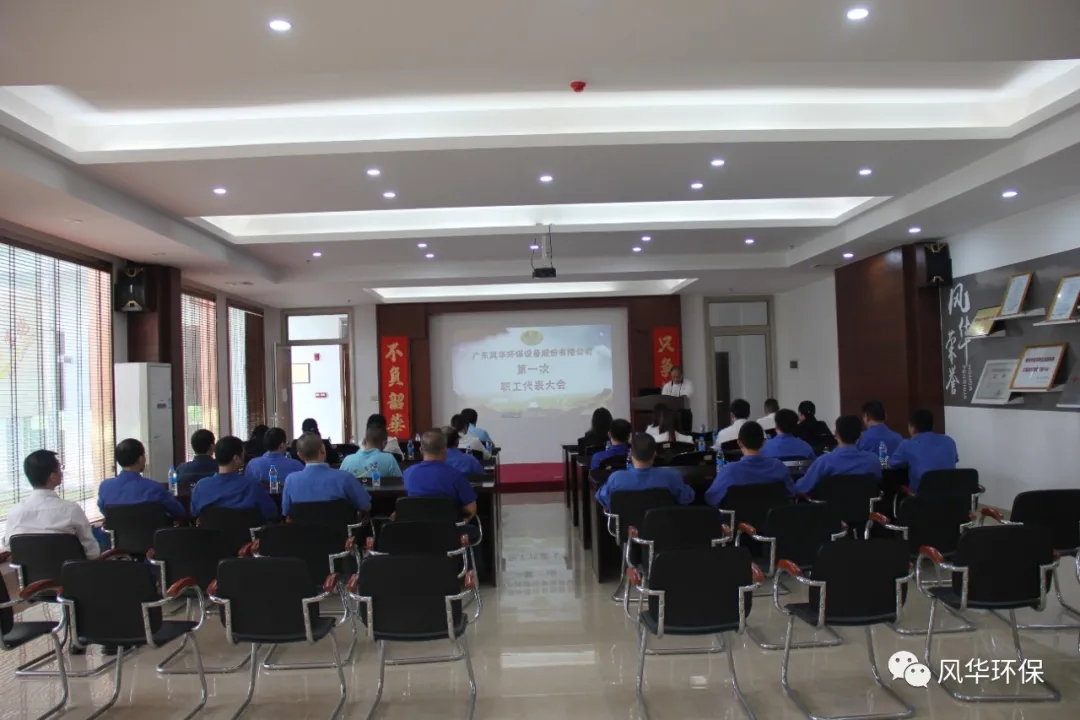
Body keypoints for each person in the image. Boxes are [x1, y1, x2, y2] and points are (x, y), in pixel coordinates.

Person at [4, 450, 100, 559]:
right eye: (60, 468)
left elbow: (9, 546)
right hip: (70, 569)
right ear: (53, 477)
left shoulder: (14, 511)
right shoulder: (71, 510)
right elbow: (92, 552)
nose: (62, 472)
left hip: (30, 570)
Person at [403, 429, 481, 544]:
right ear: (444, 451)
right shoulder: (456, 476)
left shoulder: (408, 473)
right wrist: (458, 524)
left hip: (417, 535)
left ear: (421, 450)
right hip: (450, 536)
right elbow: (471, 509)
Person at [281, 433, 371, 517]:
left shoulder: (290, 481)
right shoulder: (345, 478)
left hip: (302, 529)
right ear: (322, 450)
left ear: (299, 455)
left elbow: (286, 512)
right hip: (339, 529)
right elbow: (365, 506)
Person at [705, 421, 795, 506]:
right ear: (763, 443)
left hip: (738, 517)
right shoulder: (779, 467)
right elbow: (791, 493)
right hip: (773, 517)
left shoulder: (729, 471)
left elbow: (711, 498)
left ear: (739, 443)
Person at [190, 436, 278, 521]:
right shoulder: (252, 486)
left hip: (211, 531)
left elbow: (194, 513)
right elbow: (271, 512)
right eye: (243, 454)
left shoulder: (201, 486)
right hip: (245, 531)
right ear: (236, 458)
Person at [596, 434, 696, 508]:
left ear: (630, 453)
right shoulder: (671, 476)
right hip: (663, 527)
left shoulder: (616, 478)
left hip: (627, 528)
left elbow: (602, 498)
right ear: (654, 454)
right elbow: (687, 498)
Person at [98, 439, 185, 518]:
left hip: (119, 531)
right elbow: (179, 512)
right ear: (140, 459)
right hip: (151, 531)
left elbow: (105, 512)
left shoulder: (105, 487)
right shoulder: (155, 488)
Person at [795, 415, 882, 495]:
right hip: (864, 506)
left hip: (830, 507)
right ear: (860, 435)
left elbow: (801, 488)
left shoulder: (824, 462)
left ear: (836, 434)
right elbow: (877, 483)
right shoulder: (873, 460)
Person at [888, 409, 959, 493]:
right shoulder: (949, 441)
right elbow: (953, 460)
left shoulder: (907, 444)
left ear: (912, 428)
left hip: (922, 497)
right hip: (951, 496)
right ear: (932, 426)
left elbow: (893, 464)